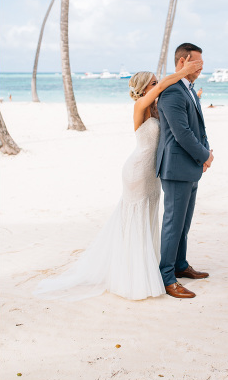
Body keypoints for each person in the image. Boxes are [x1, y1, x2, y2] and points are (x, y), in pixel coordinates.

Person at [33, 58, 203, 301]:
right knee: (135, 219)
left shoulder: (158, 107)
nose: (158, 85)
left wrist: (193, 97)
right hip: (137, 172)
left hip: (152, 174)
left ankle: (149, 266)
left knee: (147, 219)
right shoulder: (140, 106)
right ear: (143, 88)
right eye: (153, 83)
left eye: (156, 82)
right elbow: (164, 85)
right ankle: (132, 273)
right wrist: (183, 72)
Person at [156, 43, 213, 299]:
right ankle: (167, 278)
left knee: (184, 224)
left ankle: (180, 265)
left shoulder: (189, 89)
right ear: (183, 61)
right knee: (173, 224)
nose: (201, 67)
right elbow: (182, 133)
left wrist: (206, 152)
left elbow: (199, 128)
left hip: (191, 166)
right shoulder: (172, 92)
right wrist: (205, 155)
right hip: (176, 167)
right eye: (197, 63)